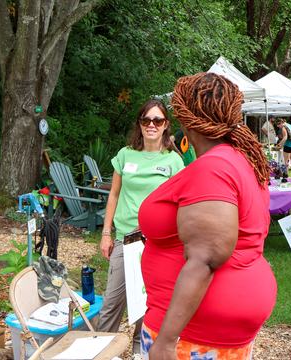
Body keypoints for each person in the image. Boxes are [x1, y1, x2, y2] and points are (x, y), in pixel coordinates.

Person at [138, 72, 277, 360]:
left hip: (194, 330)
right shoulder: (241, 158)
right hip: (218, 321)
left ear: (185, 118)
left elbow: (205, 258)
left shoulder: (213, 168)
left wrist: (165, 341)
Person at [98, 99, 184, 354]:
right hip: (126, 239)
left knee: (147, 303)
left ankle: (139, 351)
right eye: (146, 120)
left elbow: (180, 202)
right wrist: (106, 233)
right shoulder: (125, 155)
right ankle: (103, 349)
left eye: (157, 120)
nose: (151, 125)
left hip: (157, 243)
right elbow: (113, 195)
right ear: (140, 123)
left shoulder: (173, 161)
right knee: (112, 302)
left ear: (166, 125)